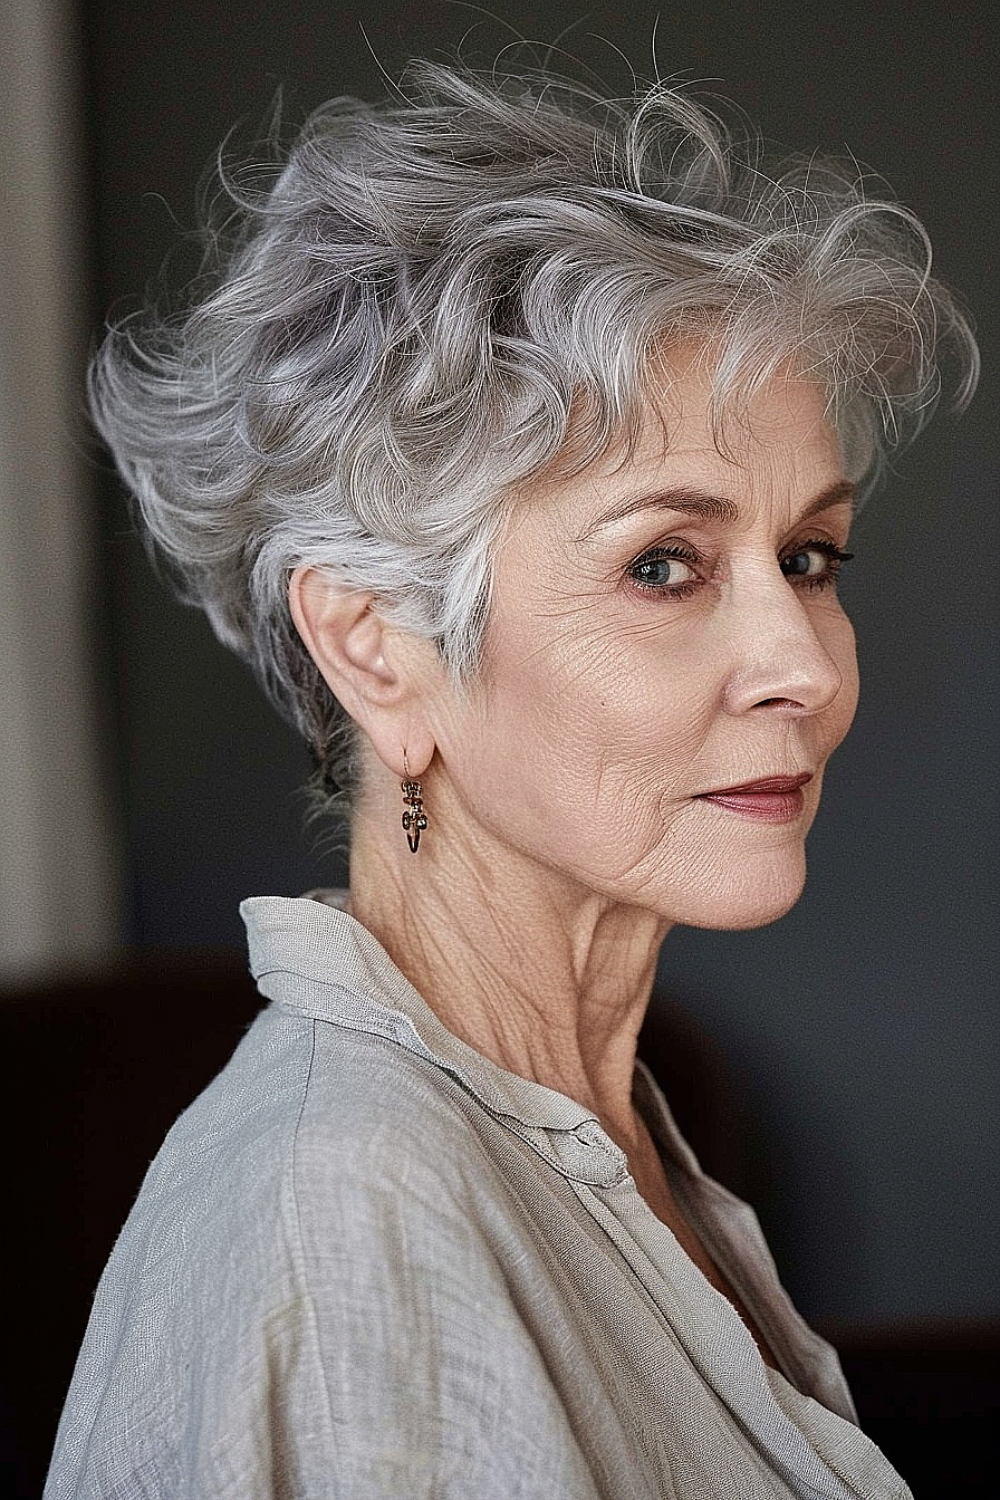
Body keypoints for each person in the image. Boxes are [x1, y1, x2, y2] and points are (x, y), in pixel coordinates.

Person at [46, 59, 976, 1499]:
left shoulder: (596, 1133)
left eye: (808, 557)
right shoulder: (348, 1226)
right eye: (663, 565)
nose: (802, 660)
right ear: (378, 649)